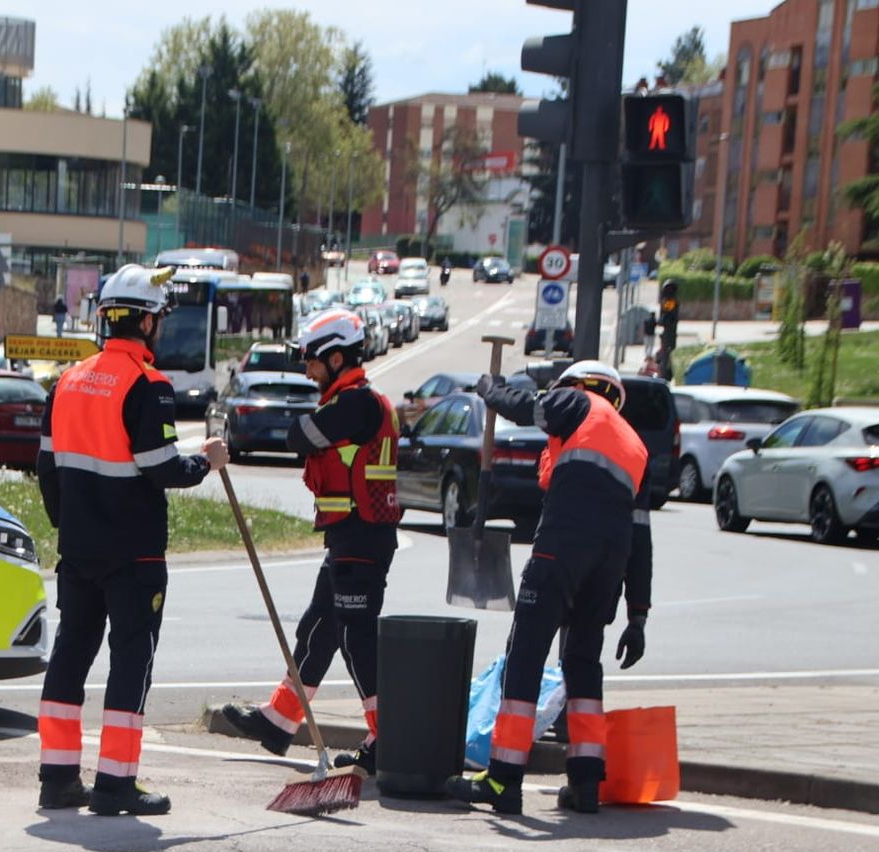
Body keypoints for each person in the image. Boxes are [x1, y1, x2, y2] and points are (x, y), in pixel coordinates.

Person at [36, 264, 229, 816]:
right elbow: (161, 467)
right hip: (134, 555)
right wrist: (207, 462)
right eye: (159, 320)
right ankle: (117, 783)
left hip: (78, 551)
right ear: (146, 324)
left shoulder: (67, 382)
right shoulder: (149, 386)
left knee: (70, 657)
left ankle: (57, 778)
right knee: (130, 662)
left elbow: (46, 467)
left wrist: (69, 524)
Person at [445, 361, 652, 815]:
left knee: (526, 655)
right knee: (582, 665)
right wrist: (638, 615)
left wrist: (491, 390)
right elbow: (641, 540)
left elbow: (527, 408)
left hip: (561, 550)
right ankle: (585, 784)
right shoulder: (635, 447)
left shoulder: (580, 401)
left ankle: (503, 778)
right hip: (607, 571)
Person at [217, 308, 401, 773]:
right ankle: (279, 722)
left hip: (362, 536)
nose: (307, 369)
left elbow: (300, 435)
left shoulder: (357, 403)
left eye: (313, 360)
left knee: (357, 640)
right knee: (318, 630)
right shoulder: (347, 402)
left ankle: (388, 739)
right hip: (348, 536)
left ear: (338, 358)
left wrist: (304, 428)